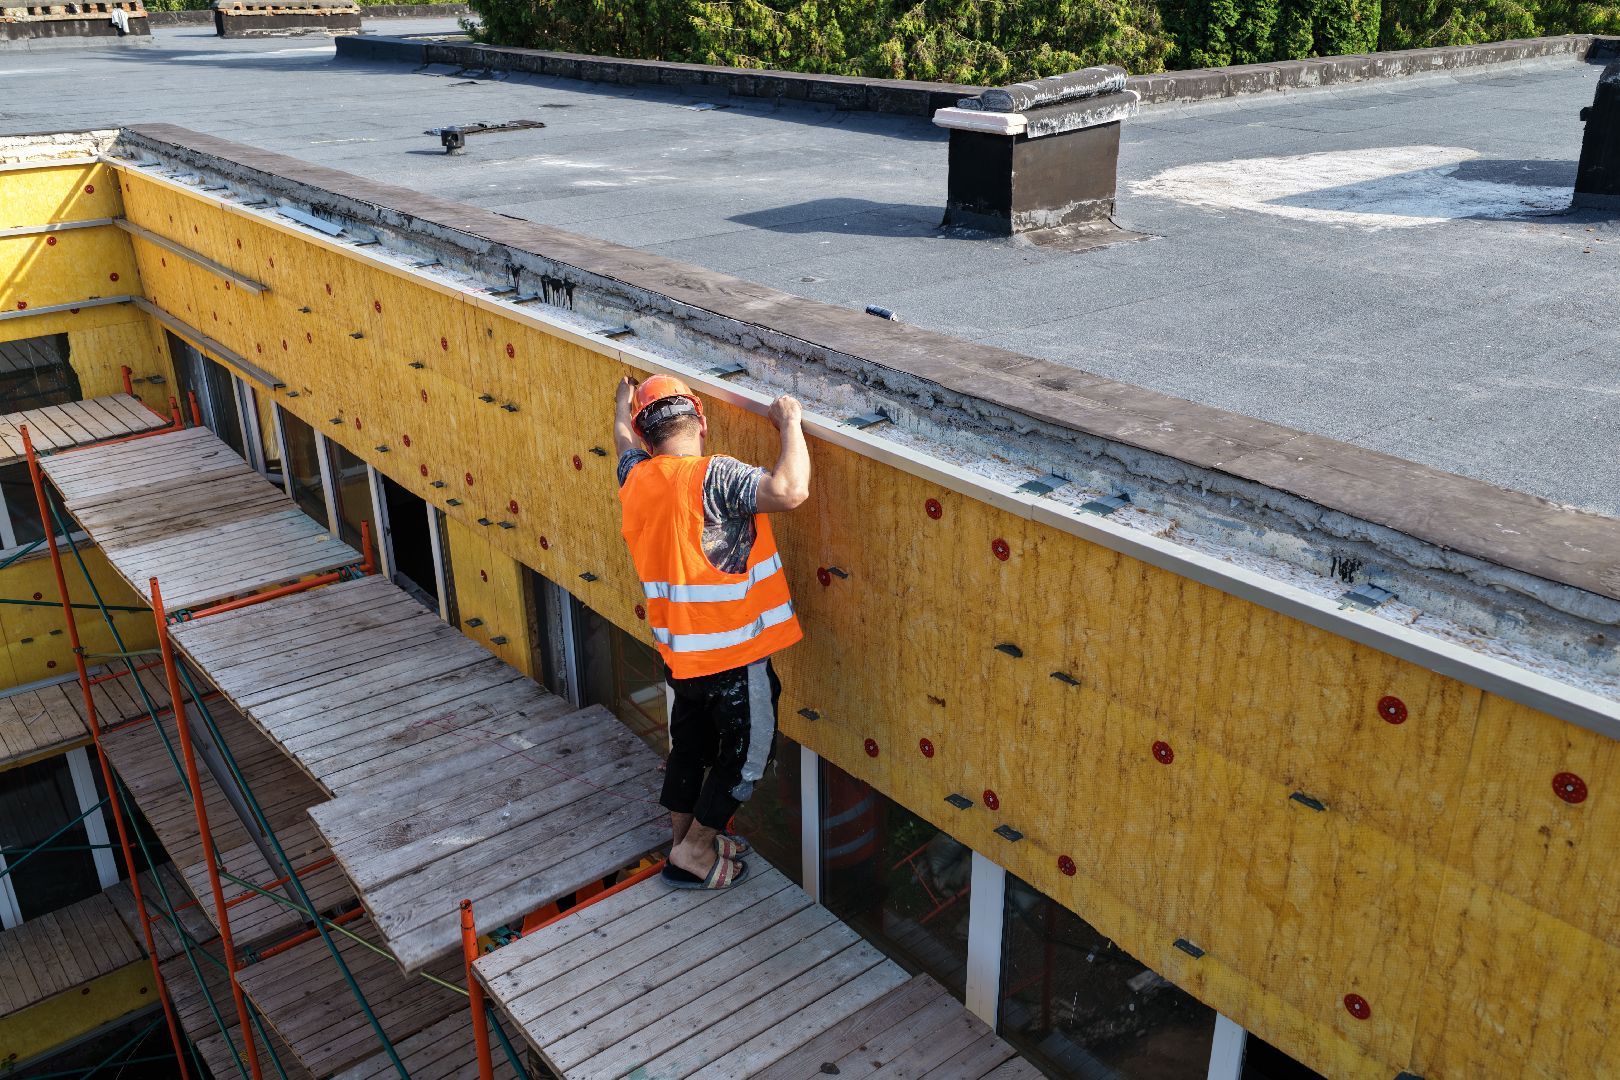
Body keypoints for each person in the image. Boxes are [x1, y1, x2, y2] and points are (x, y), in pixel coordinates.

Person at [614, 374, 810, 890]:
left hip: (682, 658)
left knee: (691, 750)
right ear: (701, 422)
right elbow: (790, 491)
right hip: (734, 656)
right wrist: (789, 420)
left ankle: (684, 840)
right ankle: (693, 855)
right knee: (747, 759)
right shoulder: (714, 477)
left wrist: (621, 403)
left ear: (645, 438)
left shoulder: (634, 477)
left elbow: (620, 439)